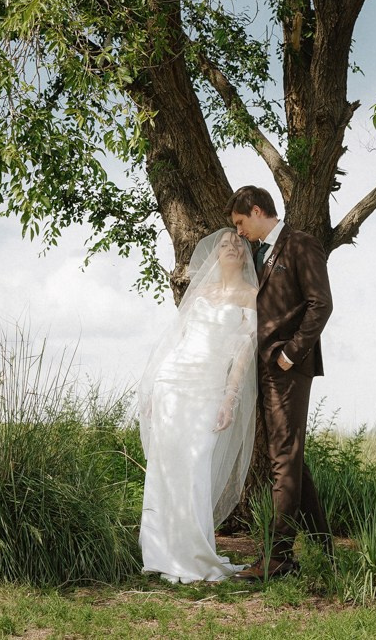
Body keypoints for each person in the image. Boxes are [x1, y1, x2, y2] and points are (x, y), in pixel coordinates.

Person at [136, 226, 259, 583]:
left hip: (208, 386)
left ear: (246, 255)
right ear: (215, 254)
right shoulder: (201, 290)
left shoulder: (251, 295)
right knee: (164, 466)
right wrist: (152, 387)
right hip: (172, 381)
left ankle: (194, 555)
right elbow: (175, 340)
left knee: (194, 467)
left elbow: (244, 351)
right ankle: (160, 554)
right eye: (225, 244)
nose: (232, 247)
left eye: (238, 242)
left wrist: (230, 397)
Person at [229, 185, 332, 579]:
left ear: (257, 211)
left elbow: (321, 303)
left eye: (241, 223)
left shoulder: (300, 244)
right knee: (292, 460)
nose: (239, 232)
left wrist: (291, 354)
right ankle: (324, 547)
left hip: (288, 368)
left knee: (283, 460)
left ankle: (278, 556)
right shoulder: (255, 253)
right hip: (264, 369)